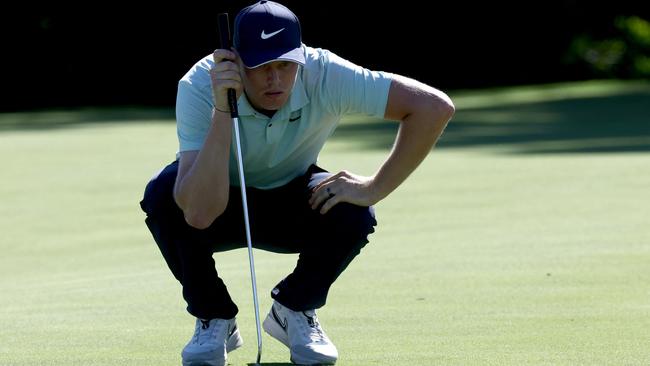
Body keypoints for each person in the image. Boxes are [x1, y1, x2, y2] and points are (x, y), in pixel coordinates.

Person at [140, 1, 454, 365]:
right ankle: (214, 317)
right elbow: (198, 213)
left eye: (286, 65)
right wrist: (224, 109)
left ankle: (294, 309)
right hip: (220, 203)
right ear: (236, 61)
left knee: (353, 208)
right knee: (164, 194)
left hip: (292, 204)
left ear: (300, 57)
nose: (275, 79)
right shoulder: (200, 83)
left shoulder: (324, 72)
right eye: (261, 67)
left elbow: (434, 107)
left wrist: (374, 187)